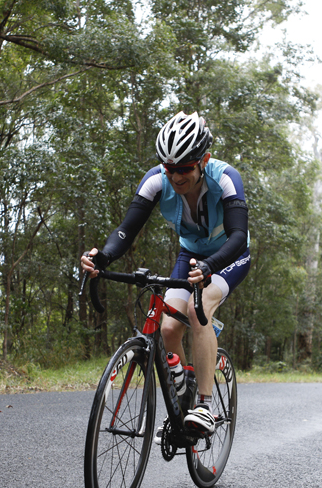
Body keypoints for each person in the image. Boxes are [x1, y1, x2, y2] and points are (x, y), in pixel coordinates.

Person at [80, 111, 251, 434]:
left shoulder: (226, 178)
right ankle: (183, 396)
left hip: (229, 256)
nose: (175, 177)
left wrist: (210, 266)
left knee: (198, 310)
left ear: (204, 161)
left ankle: (204, 406)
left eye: (185, 169)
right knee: (169, 327)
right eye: (170, 169)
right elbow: (126, 230)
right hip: (191, 256)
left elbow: (239, 237)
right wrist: (103, 257)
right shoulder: (156, 180)